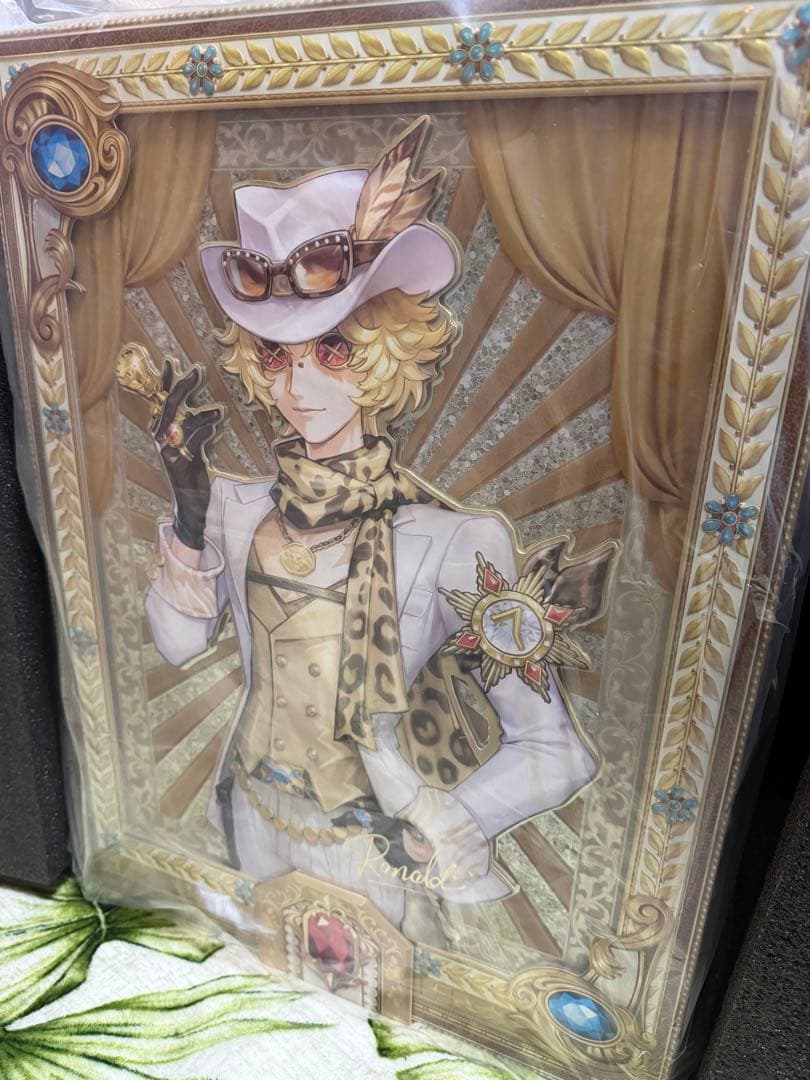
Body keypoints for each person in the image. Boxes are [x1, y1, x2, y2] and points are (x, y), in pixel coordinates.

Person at [144, 117, 597, 931]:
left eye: (333, 350)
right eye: (277, 356)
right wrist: (188, 512)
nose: (297, 386)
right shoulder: (237, 509)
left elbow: (554, 748)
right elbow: (177, 647)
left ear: (388, 351)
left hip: (375, 847)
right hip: (250, 818)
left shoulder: (455, 544)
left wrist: (444, 824)